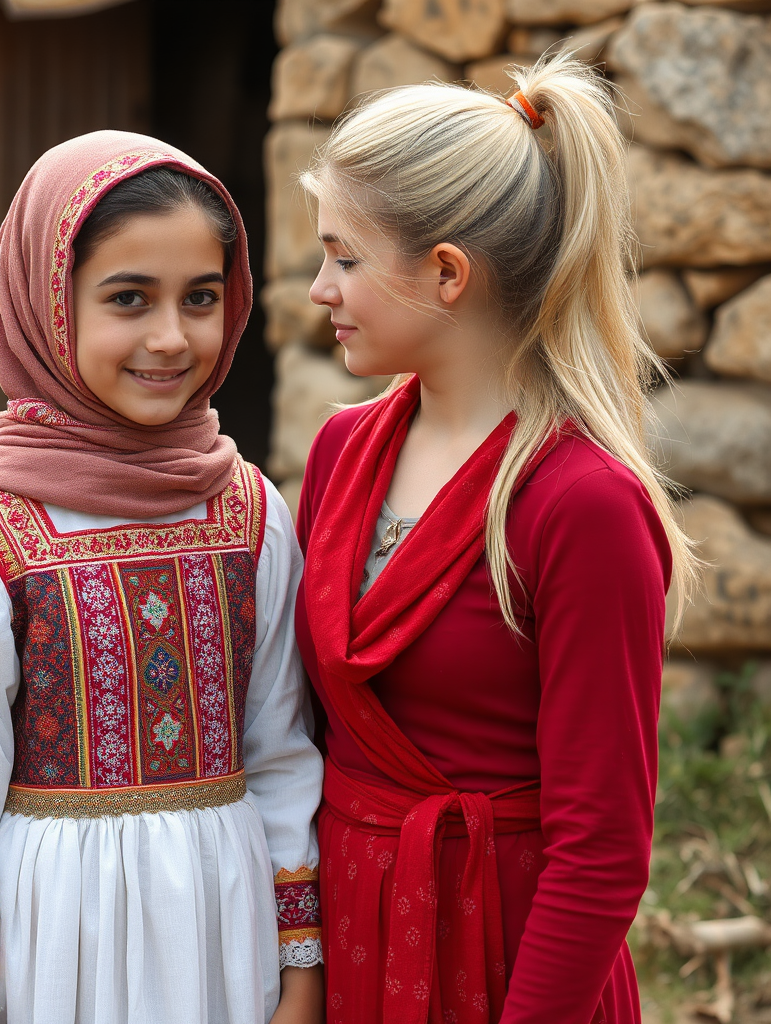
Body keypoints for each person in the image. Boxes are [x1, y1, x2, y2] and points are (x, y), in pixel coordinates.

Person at [0, 131, 323, 1024]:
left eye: (201, 298)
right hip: (54, 948)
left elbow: (280, 754)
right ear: (47, 303)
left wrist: (299, 975)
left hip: (225, 941)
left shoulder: (249, 511)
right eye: (128, 298)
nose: (171, 337)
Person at [294, 56, 697, 1024]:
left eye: (344, 257)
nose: (318, 289)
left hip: (510, 958)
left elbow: (600, 848)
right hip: (350, 935)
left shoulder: (580, 503)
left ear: (444, 273)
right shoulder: (341, 450)